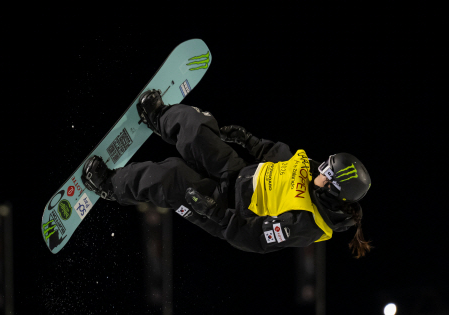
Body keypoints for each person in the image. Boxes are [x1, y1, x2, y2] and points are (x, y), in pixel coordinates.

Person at [81, 90, 372, 256]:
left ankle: (110, 185)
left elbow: (255, 238)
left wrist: (215, 212)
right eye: (325, 164)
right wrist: (249, 141)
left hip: (225, 209)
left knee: (171, 177)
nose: (320, 169)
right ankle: (159, 116)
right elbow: (282, 157)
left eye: (326, 172)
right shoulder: (313, 174)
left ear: (333, 190)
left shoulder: (308, 224)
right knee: (197, 129)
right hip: (238, 173)